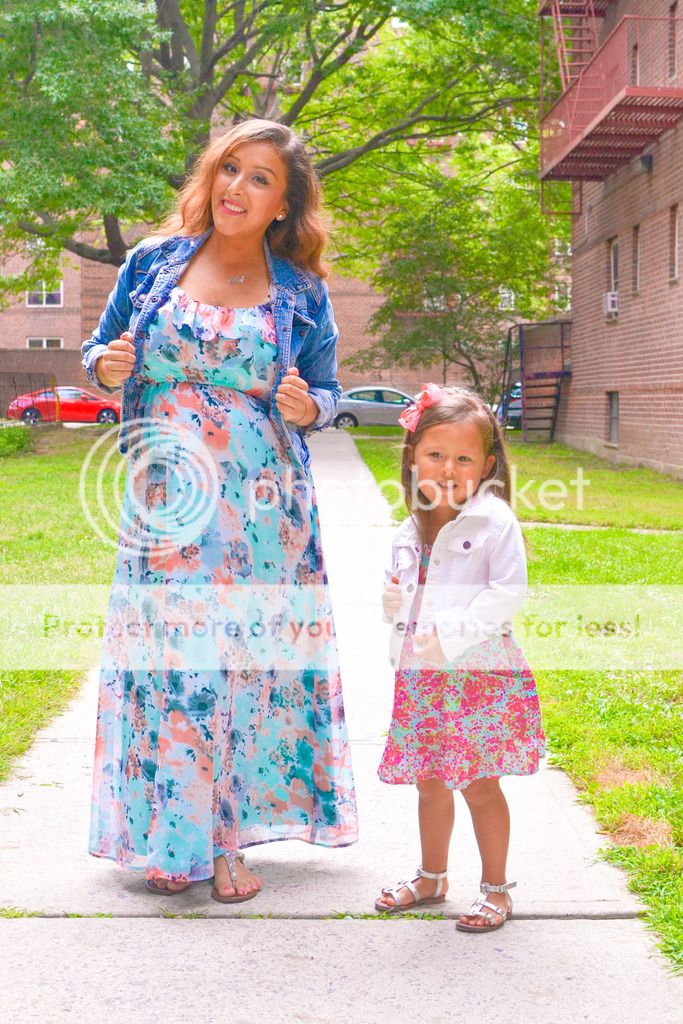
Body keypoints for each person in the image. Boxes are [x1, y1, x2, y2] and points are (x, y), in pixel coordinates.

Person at [81, 118, 358, 903]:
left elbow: (325, 390)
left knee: (242, 665)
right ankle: (174, 835)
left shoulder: (300, 291)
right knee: (174, 662)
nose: (236, 187)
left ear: (283, 204)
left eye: (259, 178)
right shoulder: (152, 264)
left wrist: (310, 407)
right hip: (168, 502)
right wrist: (106, 366)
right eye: (230, 168)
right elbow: (99, 353)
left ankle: (227, 839)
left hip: (263, 508)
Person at [374, 384, 545, 931]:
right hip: (422, 676)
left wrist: (449, 636)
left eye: (464, 458)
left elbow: (506, 592)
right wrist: (392, 605)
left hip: (476, 677)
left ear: (487, 466)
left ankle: (496, 889)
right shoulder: (409, 527)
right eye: (435, 454)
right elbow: (403, 588)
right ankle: (432, 878)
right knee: (429, 781)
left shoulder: (494, 521)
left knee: (478, 783)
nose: (448, 469)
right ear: (413, 458)